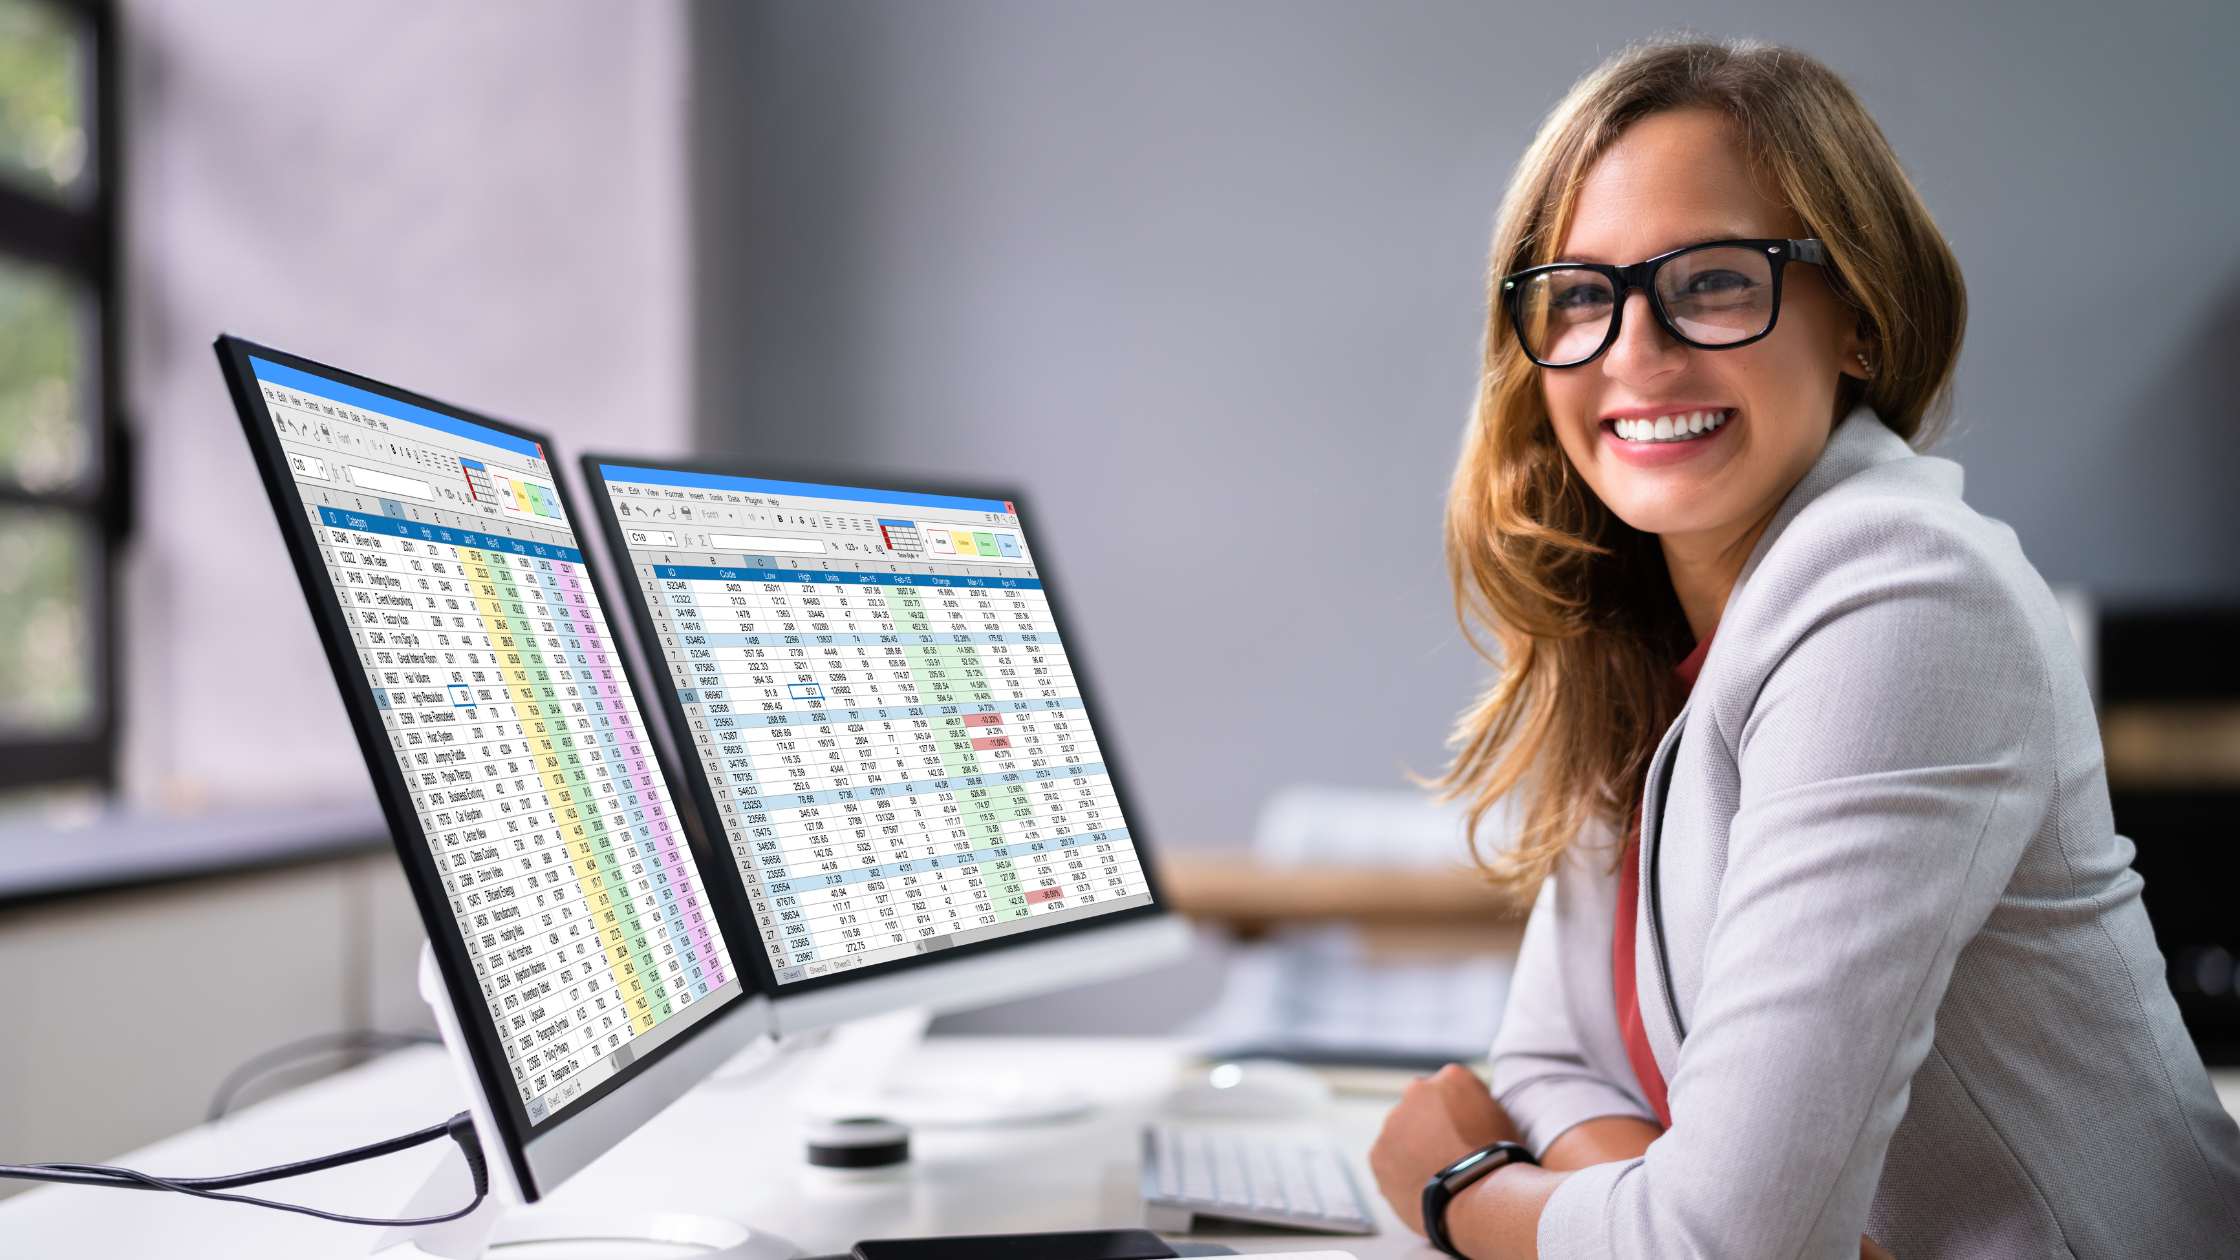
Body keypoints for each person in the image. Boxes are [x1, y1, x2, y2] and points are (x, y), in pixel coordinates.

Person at [1365, 35, 2240, 1260]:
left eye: (1712, 281)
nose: (1630, 349)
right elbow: (1553, 1059)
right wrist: (1651, 1213)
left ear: (1861, 323)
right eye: (1575, 292)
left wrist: (1459, 1189)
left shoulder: (1902, 594)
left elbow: (1720, 1244)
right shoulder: (1640, 625)